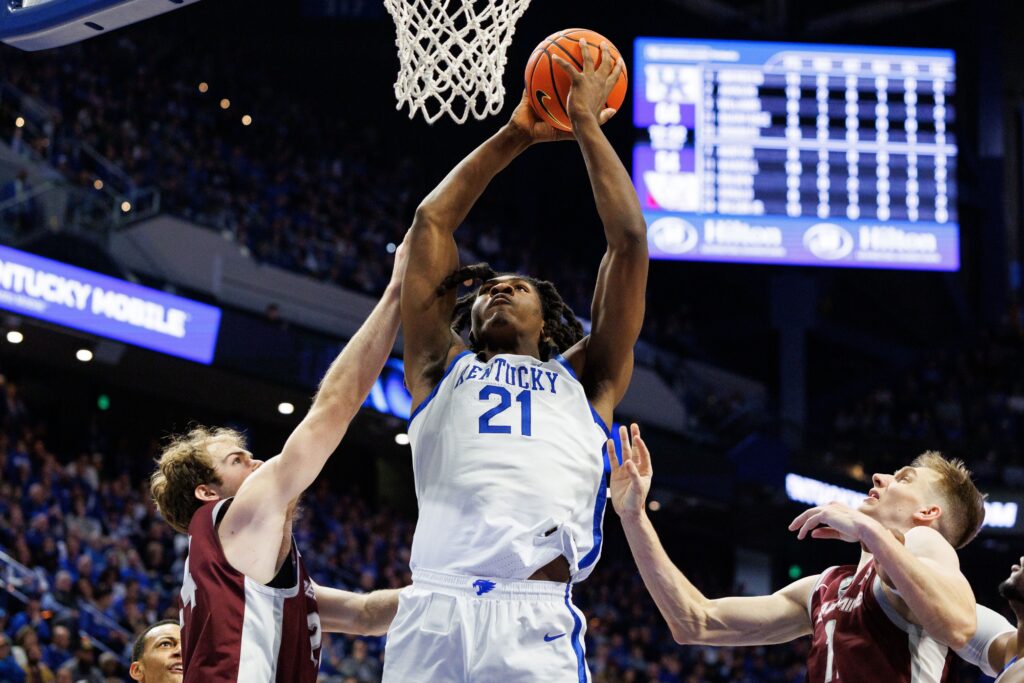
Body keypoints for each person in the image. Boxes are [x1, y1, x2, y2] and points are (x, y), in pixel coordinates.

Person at [385, 40, 646, 682]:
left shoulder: (587, 380)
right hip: (434, 606)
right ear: (465, 317)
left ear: (549, 317)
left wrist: (584, 122)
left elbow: (630, 241)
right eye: (487, 287)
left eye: (518, 285)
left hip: (533, 616)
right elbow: (430, 225)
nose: (498, 287)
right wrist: (516, 133)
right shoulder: (438, 367)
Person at [150, 242, 408, 682]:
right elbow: (333, 408)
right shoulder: (226, 516)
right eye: (239, 460)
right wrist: (397, 293)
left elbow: (366, 616)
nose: (259, 463)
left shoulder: (246, 573)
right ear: (207, 493)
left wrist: (460, 593)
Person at [607, 423, 987, 681]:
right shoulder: (824, 588)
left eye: (904, 479)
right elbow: (695, 622)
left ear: (927, 513)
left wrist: (868, 530)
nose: (880, 477)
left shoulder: (926, 542)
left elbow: (957, 624)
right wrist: (634, 516)